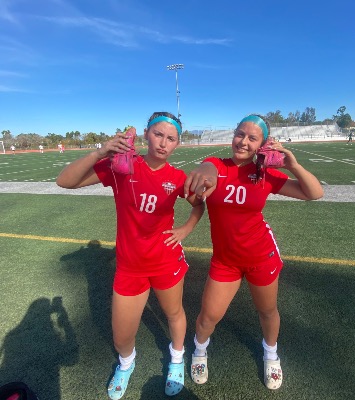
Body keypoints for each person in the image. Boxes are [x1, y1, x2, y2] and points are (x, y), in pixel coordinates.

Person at [56, 112, 205, 399]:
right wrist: (100, 152)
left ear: (177, 144)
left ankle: (176, 358)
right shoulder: (122, 167)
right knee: (121, 335)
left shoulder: (178, 178)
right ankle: (126, 363)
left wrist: (185, 229)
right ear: (146, 134)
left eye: (171, 138)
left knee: (174, 314)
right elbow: (65, 181)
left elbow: (199, 205)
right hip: (130, 267)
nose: (163, 143)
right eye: (158, 134)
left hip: (166, 260)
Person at [184, 114, 324, 391]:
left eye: (252, 138)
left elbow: (314, 193)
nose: (243, 142)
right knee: (208, 316)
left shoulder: (265, 174)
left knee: (267, 311)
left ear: (261, 145)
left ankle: (271, 355)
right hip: (226, 261)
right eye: (240, 134)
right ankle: (199, 351)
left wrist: (293, 165)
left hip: (261, 257)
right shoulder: (217, 165)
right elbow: (208, 168)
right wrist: (205, 173)